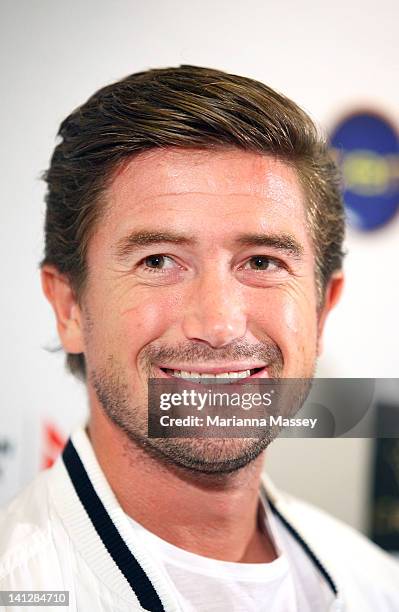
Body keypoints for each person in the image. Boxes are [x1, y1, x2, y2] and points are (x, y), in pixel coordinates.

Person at [0, 65, 398, 612]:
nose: (218, 324)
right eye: (158, 261)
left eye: (262, 261)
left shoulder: (377, 587)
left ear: (321, 310)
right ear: (69, 306)